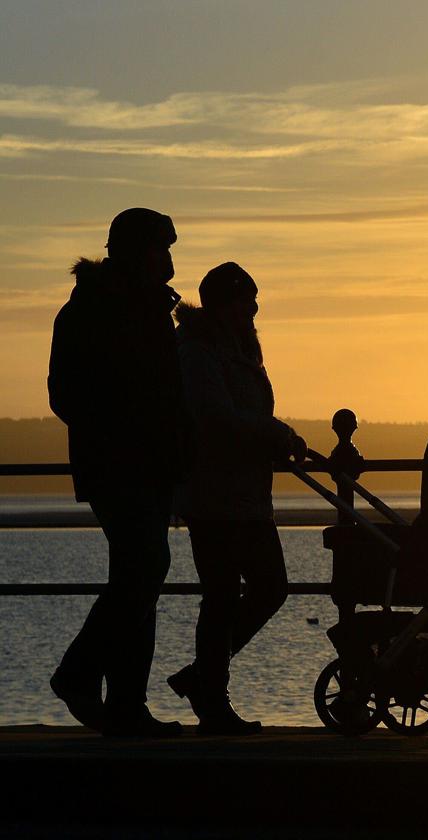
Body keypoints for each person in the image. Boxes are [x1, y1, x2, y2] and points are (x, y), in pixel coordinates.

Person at [48, 207, 185, 737]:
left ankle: (127, 705)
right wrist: (125, 428)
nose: (169, 259)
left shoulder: (148, 309)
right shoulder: (93, 310)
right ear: (133, 252)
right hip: (117, 463)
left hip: (149, 464)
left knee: (142, 576)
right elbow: (67, 394)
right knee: (143, 568)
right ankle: (79, 675)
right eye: (161, 247)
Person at [167, 262, 305, 735]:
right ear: (224, 304)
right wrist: (276, 432)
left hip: (245, 490)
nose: (254, 308)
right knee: (223, 594)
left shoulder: (239, 347)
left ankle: (201, 679)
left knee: (268, 588)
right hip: (212, 492)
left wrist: (272, 438)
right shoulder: (198, 350)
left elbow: (242, 414)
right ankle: (211, 696)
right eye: (246, 300)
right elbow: (215, 417)